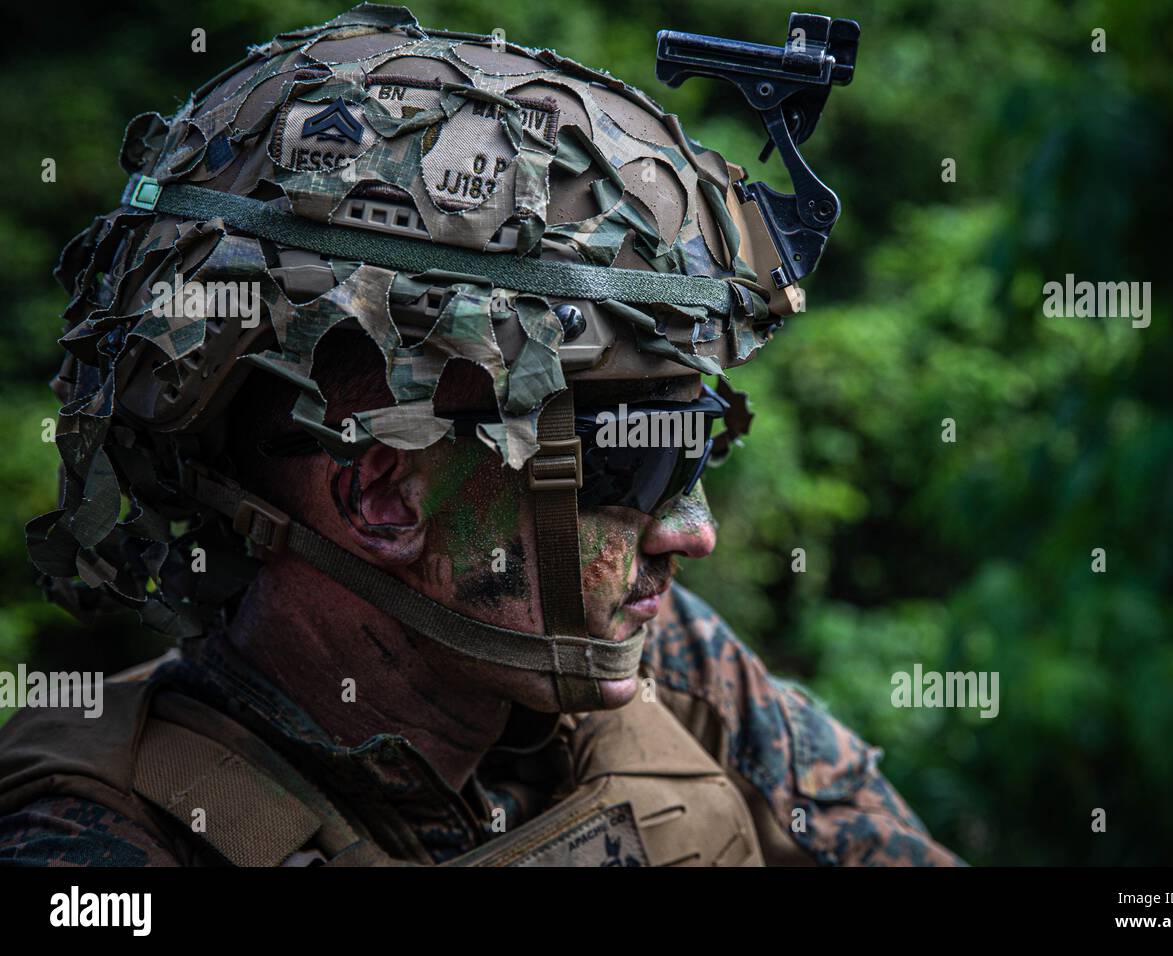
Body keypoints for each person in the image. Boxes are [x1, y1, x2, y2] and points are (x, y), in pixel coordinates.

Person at [0, 3, 959, 867]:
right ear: (380, 495)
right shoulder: (99, 841)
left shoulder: (668, 661)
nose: (690, 533)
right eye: (630, 460)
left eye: (697, 442)